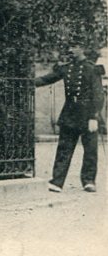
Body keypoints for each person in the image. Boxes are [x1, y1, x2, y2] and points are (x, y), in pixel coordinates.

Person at [35, 42, 105, 192]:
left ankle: (89, 181)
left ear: (82, 49)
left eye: (74, 47)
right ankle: (57, 182)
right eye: (69, 48)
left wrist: (94, 116)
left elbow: (98, 94)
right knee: (64, 148)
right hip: (70, 113)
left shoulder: (92, 69)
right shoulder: (66, 68)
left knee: (90, 150)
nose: (70, 51)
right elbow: (48, 78)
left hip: (88, 115)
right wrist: (27, 83)